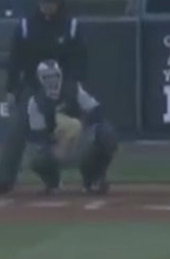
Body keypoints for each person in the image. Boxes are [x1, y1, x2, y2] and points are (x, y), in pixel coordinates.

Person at [0, 0, 87, 195]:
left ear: (58, 4)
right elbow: (15, 59)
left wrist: (70, 86)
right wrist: (11, 88)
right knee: (18, 127)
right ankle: (4, 179)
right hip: (32, 85)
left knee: (66, 131)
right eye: (44, 3)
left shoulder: (70, 26)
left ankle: (89, 177)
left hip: (63, 86)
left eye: (51, 3)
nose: (47, 7)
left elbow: (79, 60)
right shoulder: (26, 26)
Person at [27, 60, 118, 194]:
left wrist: (81, 124)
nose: (52, 81)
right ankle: (53, 183)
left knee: (106, 134)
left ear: (60, 75)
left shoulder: (73, 89)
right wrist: (55, 143)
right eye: (47, 77)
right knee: (36, 156)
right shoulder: (36, 102)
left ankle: (93, 179)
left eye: (55, 76)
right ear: (40, 79)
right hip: (57, 144)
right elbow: (37, 134)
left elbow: (96, 110)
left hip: (81, 139)